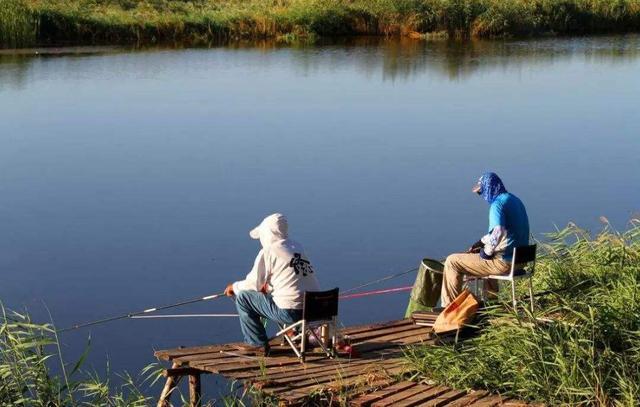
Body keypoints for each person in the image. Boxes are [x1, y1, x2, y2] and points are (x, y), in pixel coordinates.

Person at [225, 213, 319, 355]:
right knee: (285, 296)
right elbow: (290, 279)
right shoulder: (297, 247)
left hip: (291, 313)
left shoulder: (268, 251)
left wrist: (234, 287)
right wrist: (268, 286)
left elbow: (253, 284)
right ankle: (299, 333)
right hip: (315, 311)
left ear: (267, 234)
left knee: (244, 297)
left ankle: (256, 343)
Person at [440, 172, 529, 307]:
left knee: (452, 262)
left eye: (481, 192)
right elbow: (504, 232)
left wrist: (486, 252)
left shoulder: (497, 205)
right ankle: (492, 305)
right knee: (488, 257)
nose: (481, 195)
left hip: (505, 263)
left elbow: (498, 231)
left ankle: (449, 309)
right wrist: (481, 243)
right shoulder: (515, 200)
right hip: (521, 261)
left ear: (489, 188)